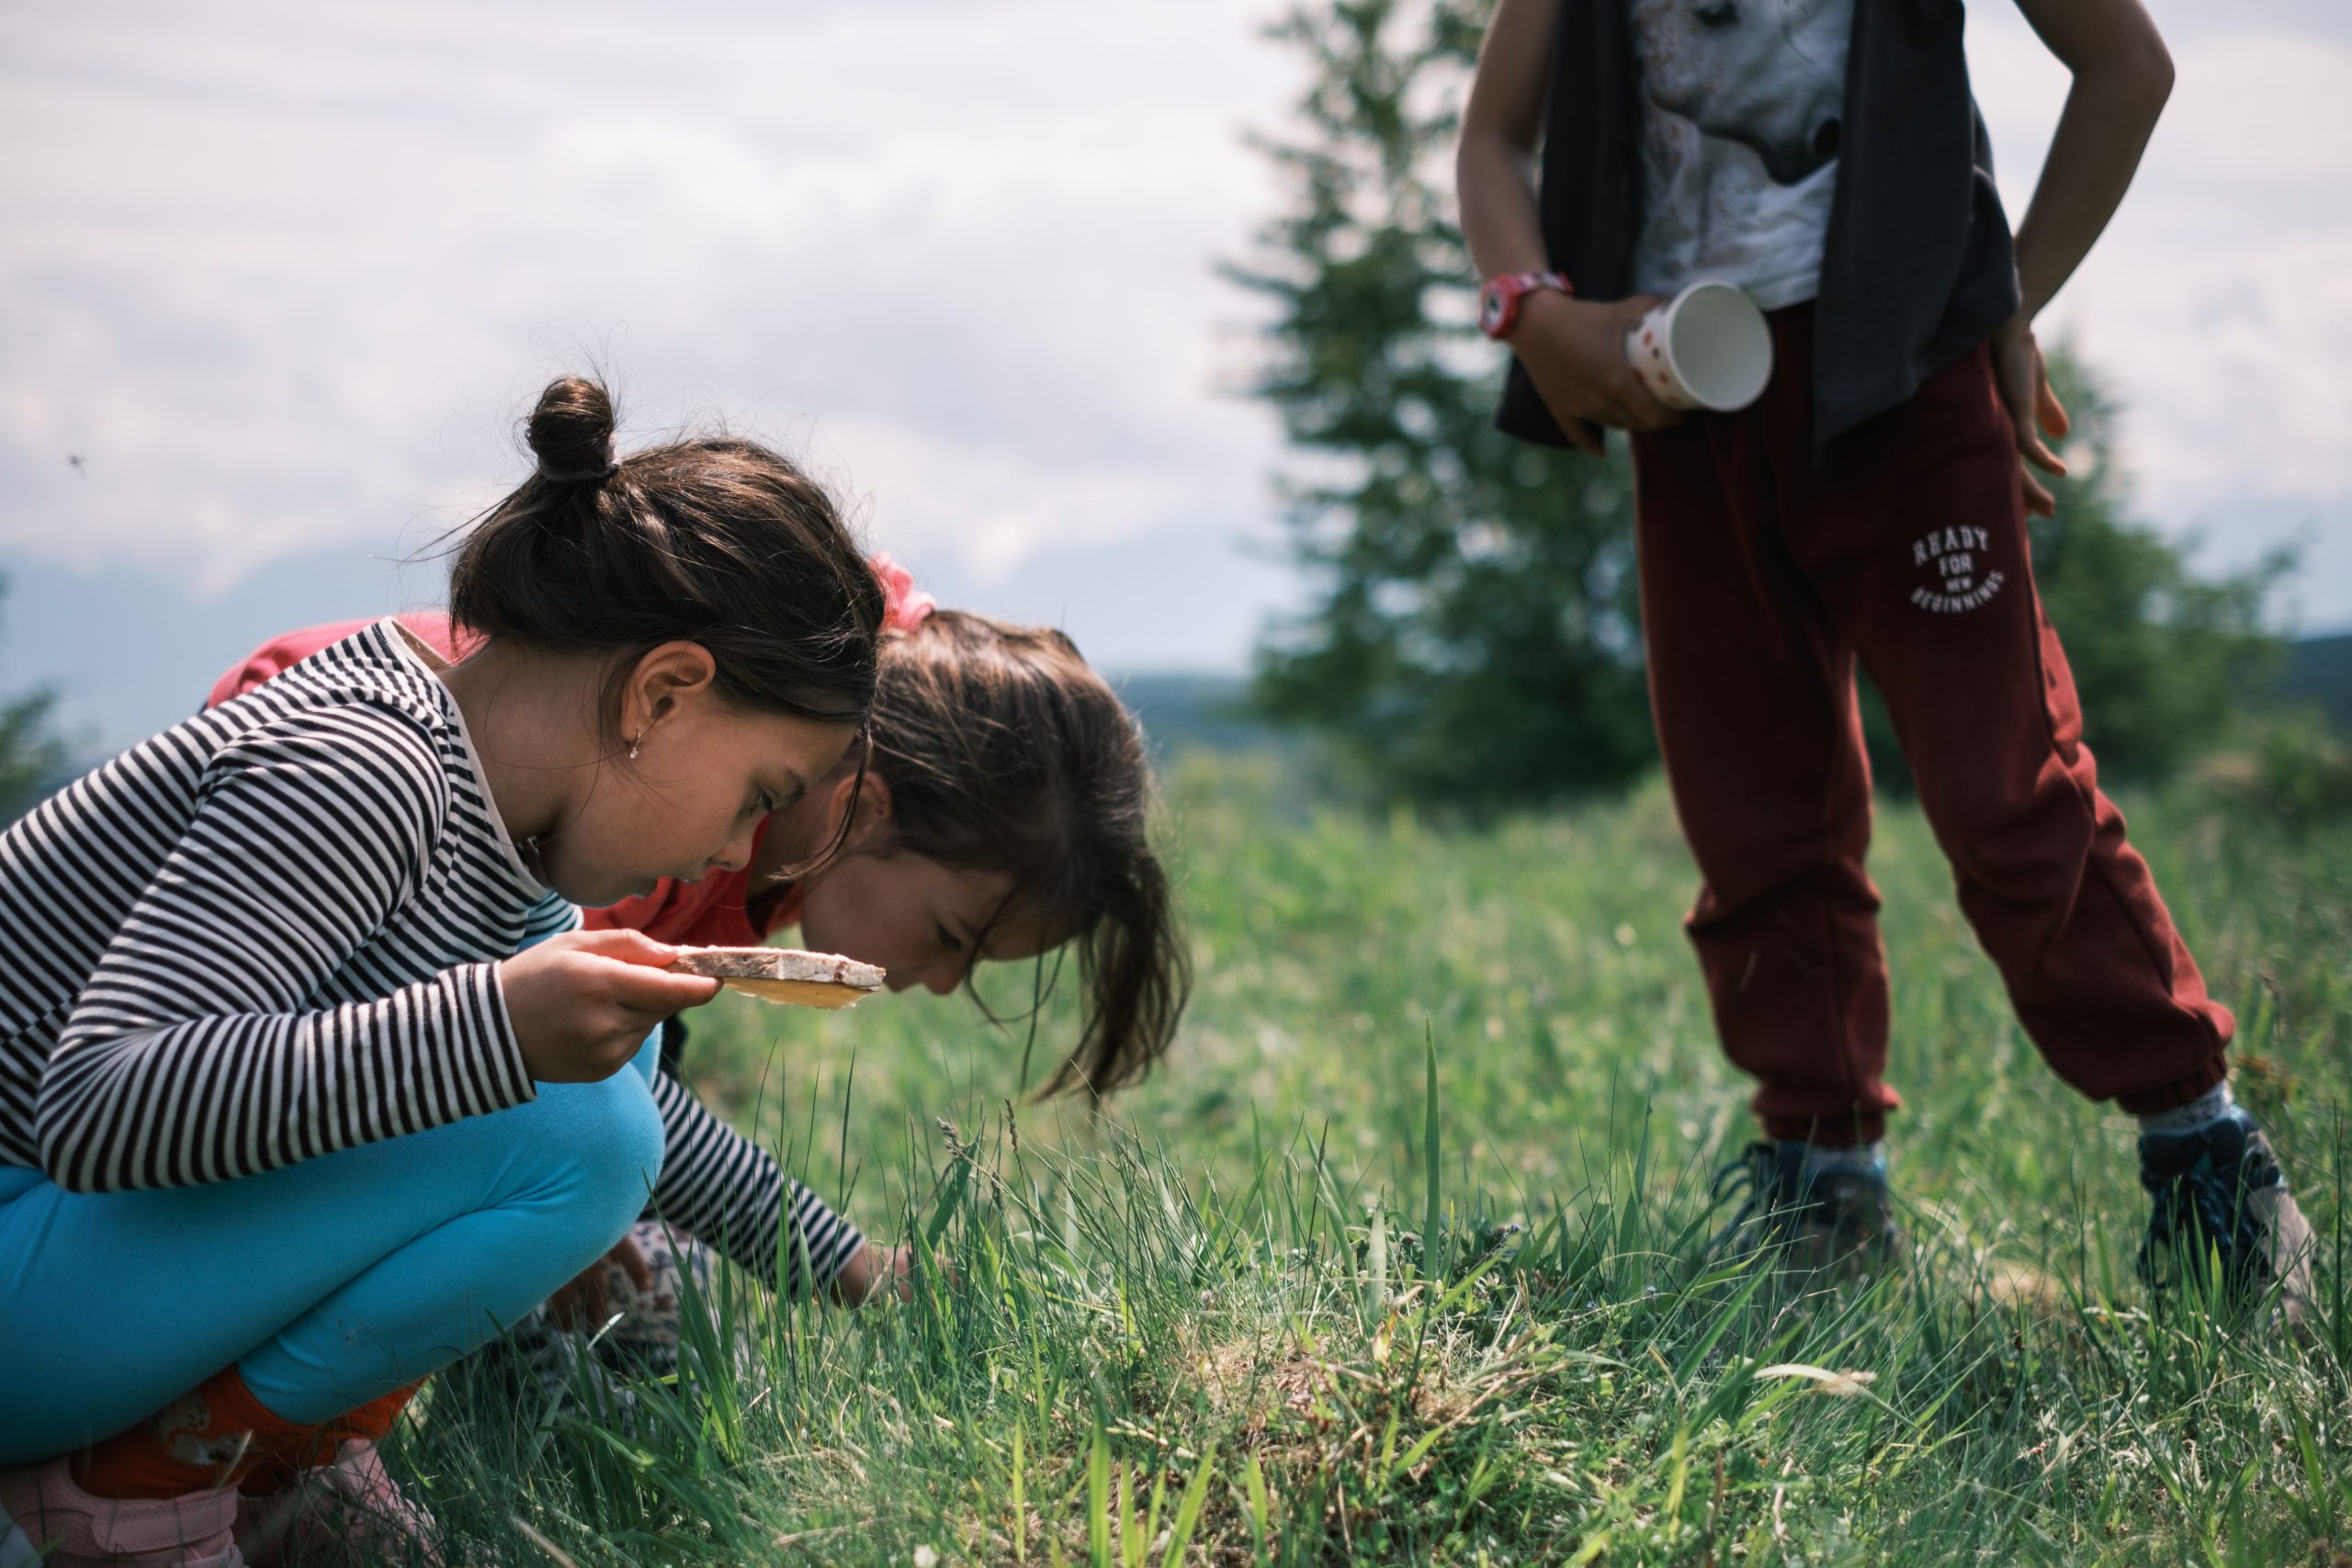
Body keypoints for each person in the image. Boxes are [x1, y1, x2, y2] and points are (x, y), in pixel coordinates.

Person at [1456, 0, 2312, 1314]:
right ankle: (1821, 1188)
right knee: (1756, 816)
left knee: (2005, 794)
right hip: (1686, 393)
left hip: (1905, 383)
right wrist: (1530, 308)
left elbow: (2127, 64)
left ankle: (2209, 1157)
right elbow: (1494, 138)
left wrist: (1997, 300)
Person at [0, 374, 888, 1568]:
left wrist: (843, 1264)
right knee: (583, 1131)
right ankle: (134, 1489)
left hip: (53, 1270)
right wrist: (493, 1033)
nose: (735, 851)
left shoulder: (495, 847)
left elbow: (627, 1107)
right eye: (758, 796)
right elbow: (103, 1100)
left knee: (593, 1124)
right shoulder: (358, 767)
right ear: (662, 692)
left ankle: (260, 1463)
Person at [206, 566, 1191, 1398]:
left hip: (376, 1055)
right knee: (612, 1291)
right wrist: (851, 1269)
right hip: (270, 989)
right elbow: (587, 1087)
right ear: (865, 807)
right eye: (952, 939)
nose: (938, 984)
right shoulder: (653, 814)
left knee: (667, 1307)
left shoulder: (744, 836)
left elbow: (617, 1085)